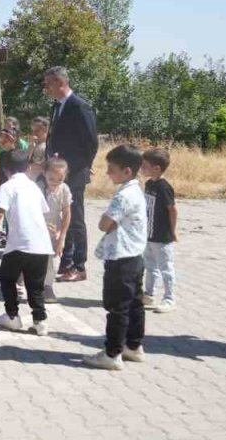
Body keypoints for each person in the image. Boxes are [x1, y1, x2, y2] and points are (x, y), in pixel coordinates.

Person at [0, 149, 54, 336]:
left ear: (5, 170)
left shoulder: (7, 187)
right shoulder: (33, 187)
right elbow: (42, 212)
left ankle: (12, 316)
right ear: (28, 167)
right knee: (36, 285)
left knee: (6, 277)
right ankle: (40, 321)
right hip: (41, 245)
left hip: (20, 244)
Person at [83, 145, 149, 371]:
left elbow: (104, 224)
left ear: (127, 171)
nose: (107, 173)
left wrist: (107, 222)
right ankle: (133, 345)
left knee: (117, 306)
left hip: (121, 258)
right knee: (134, 303)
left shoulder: (124, 195)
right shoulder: (136, 191)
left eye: (111, 169)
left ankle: (112, 353)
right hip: (135, 256)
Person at [43, 66, 99, 283]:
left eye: (48, 84)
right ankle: (65, 264)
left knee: (75, 219)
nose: (46, 88)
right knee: (58, 215)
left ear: (60, 83)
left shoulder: (79, 106)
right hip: (56, 172)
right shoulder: (57, 106)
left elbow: (91, 141)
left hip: (73, 173)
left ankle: (79, 266)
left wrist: (83, 166)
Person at [141, 148, 178, 313]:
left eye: (145, 166)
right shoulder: (149, 184)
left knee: (166, 267)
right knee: (149, 266)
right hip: (148, 234)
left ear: (156, 168)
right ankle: (149, 294)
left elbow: (172, 210)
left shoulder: (164, 187)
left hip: (162, 236)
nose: (142, 168)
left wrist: (172, 231)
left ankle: (169, 298)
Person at [41, 157, 72, 304]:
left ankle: (48, 286)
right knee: (35, 258)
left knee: (54, 260)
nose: (55, 182)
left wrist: (61, 235)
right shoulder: (39, 188)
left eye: (60, 179)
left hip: (56, 229)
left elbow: (67, 213)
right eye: (51, 178)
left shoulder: (64, 189)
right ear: (44, 173)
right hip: (38, 227)